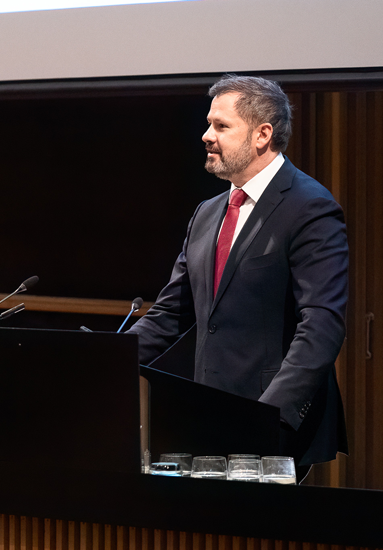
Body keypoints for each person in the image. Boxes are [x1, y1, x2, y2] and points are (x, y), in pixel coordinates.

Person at [128, 75, 348, 479]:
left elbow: (322, 326)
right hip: (207, 419)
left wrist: (268, 415)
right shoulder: (208, 212)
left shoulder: (310, 208)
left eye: (221, 126)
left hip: (272, 428)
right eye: (209, 123)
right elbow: (171, 314)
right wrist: (102, 361)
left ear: (263, 134)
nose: (206, 136)